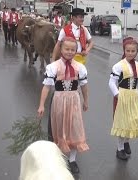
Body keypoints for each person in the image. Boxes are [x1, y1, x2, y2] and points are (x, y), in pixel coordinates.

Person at [37, 37, 89, 174]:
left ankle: (72, 160)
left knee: (74, 129)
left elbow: (84, 86)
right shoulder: (53, 67)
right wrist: (41, 105)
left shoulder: (80, 68)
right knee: (58, 129)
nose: (70, 52)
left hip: (74, 101)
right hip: (59, 101)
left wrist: (86, 101)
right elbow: (47, 87)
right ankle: (57, 158)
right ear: (60, 49)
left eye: (73, 49)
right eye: (67, 49)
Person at [109, 37, 138, 160]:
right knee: (123, 122)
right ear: (124, 50)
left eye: (133, 51)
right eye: (128, 50)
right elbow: (111, 83)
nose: (130, 53)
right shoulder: (118, 66)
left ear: (137, 52)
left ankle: (126, 141)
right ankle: (119, 148)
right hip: (122, 96)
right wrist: (118, 95)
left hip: (133, 96)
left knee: (133, 121)